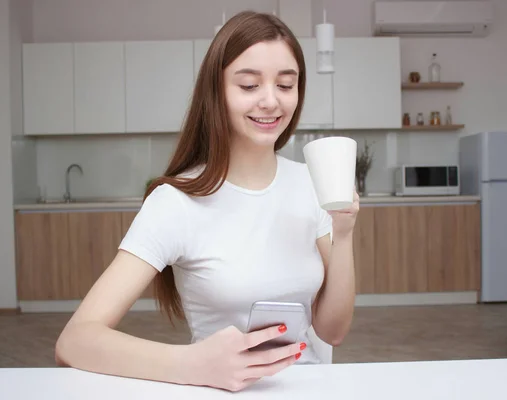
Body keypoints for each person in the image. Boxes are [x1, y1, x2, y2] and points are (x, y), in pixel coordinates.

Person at [55, 10, 358, 392]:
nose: (271, 101)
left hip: (310, 388)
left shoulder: (309, 183)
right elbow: (74, 341)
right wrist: (190, 364)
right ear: (216, 92)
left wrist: (343, 234)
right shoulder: (176, 202)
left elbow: (332, 331)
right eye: (249, 85)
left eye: (286, 84)